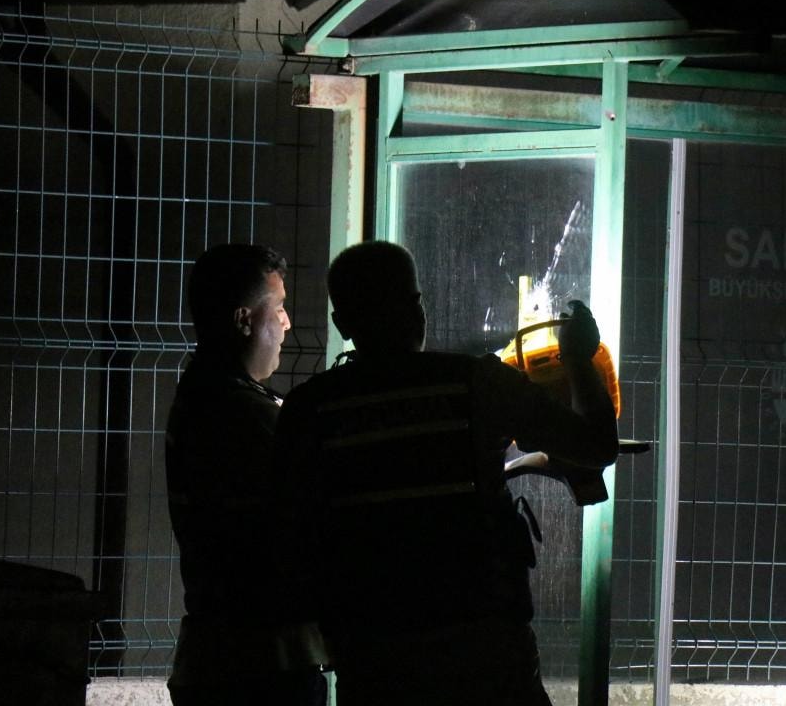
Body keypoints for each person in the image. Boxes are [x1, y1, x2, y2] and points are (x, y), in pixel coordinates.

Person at [276, 241, 618, 706]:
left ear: (342, 324)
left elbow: (292, 536)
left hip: (373, 659)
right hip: (487, 652)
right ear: (417, 308)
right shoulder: (477, 382)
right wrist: (577, 357)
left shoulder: (308, 410)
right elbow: (596, 446)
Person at [165, 244, 328, 706]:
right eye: (278, 307)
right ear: (244, 320)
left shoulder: (200, 398)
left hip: (216, 659)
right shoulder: (246, 416)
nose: (287, 323)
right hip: (265, 666)